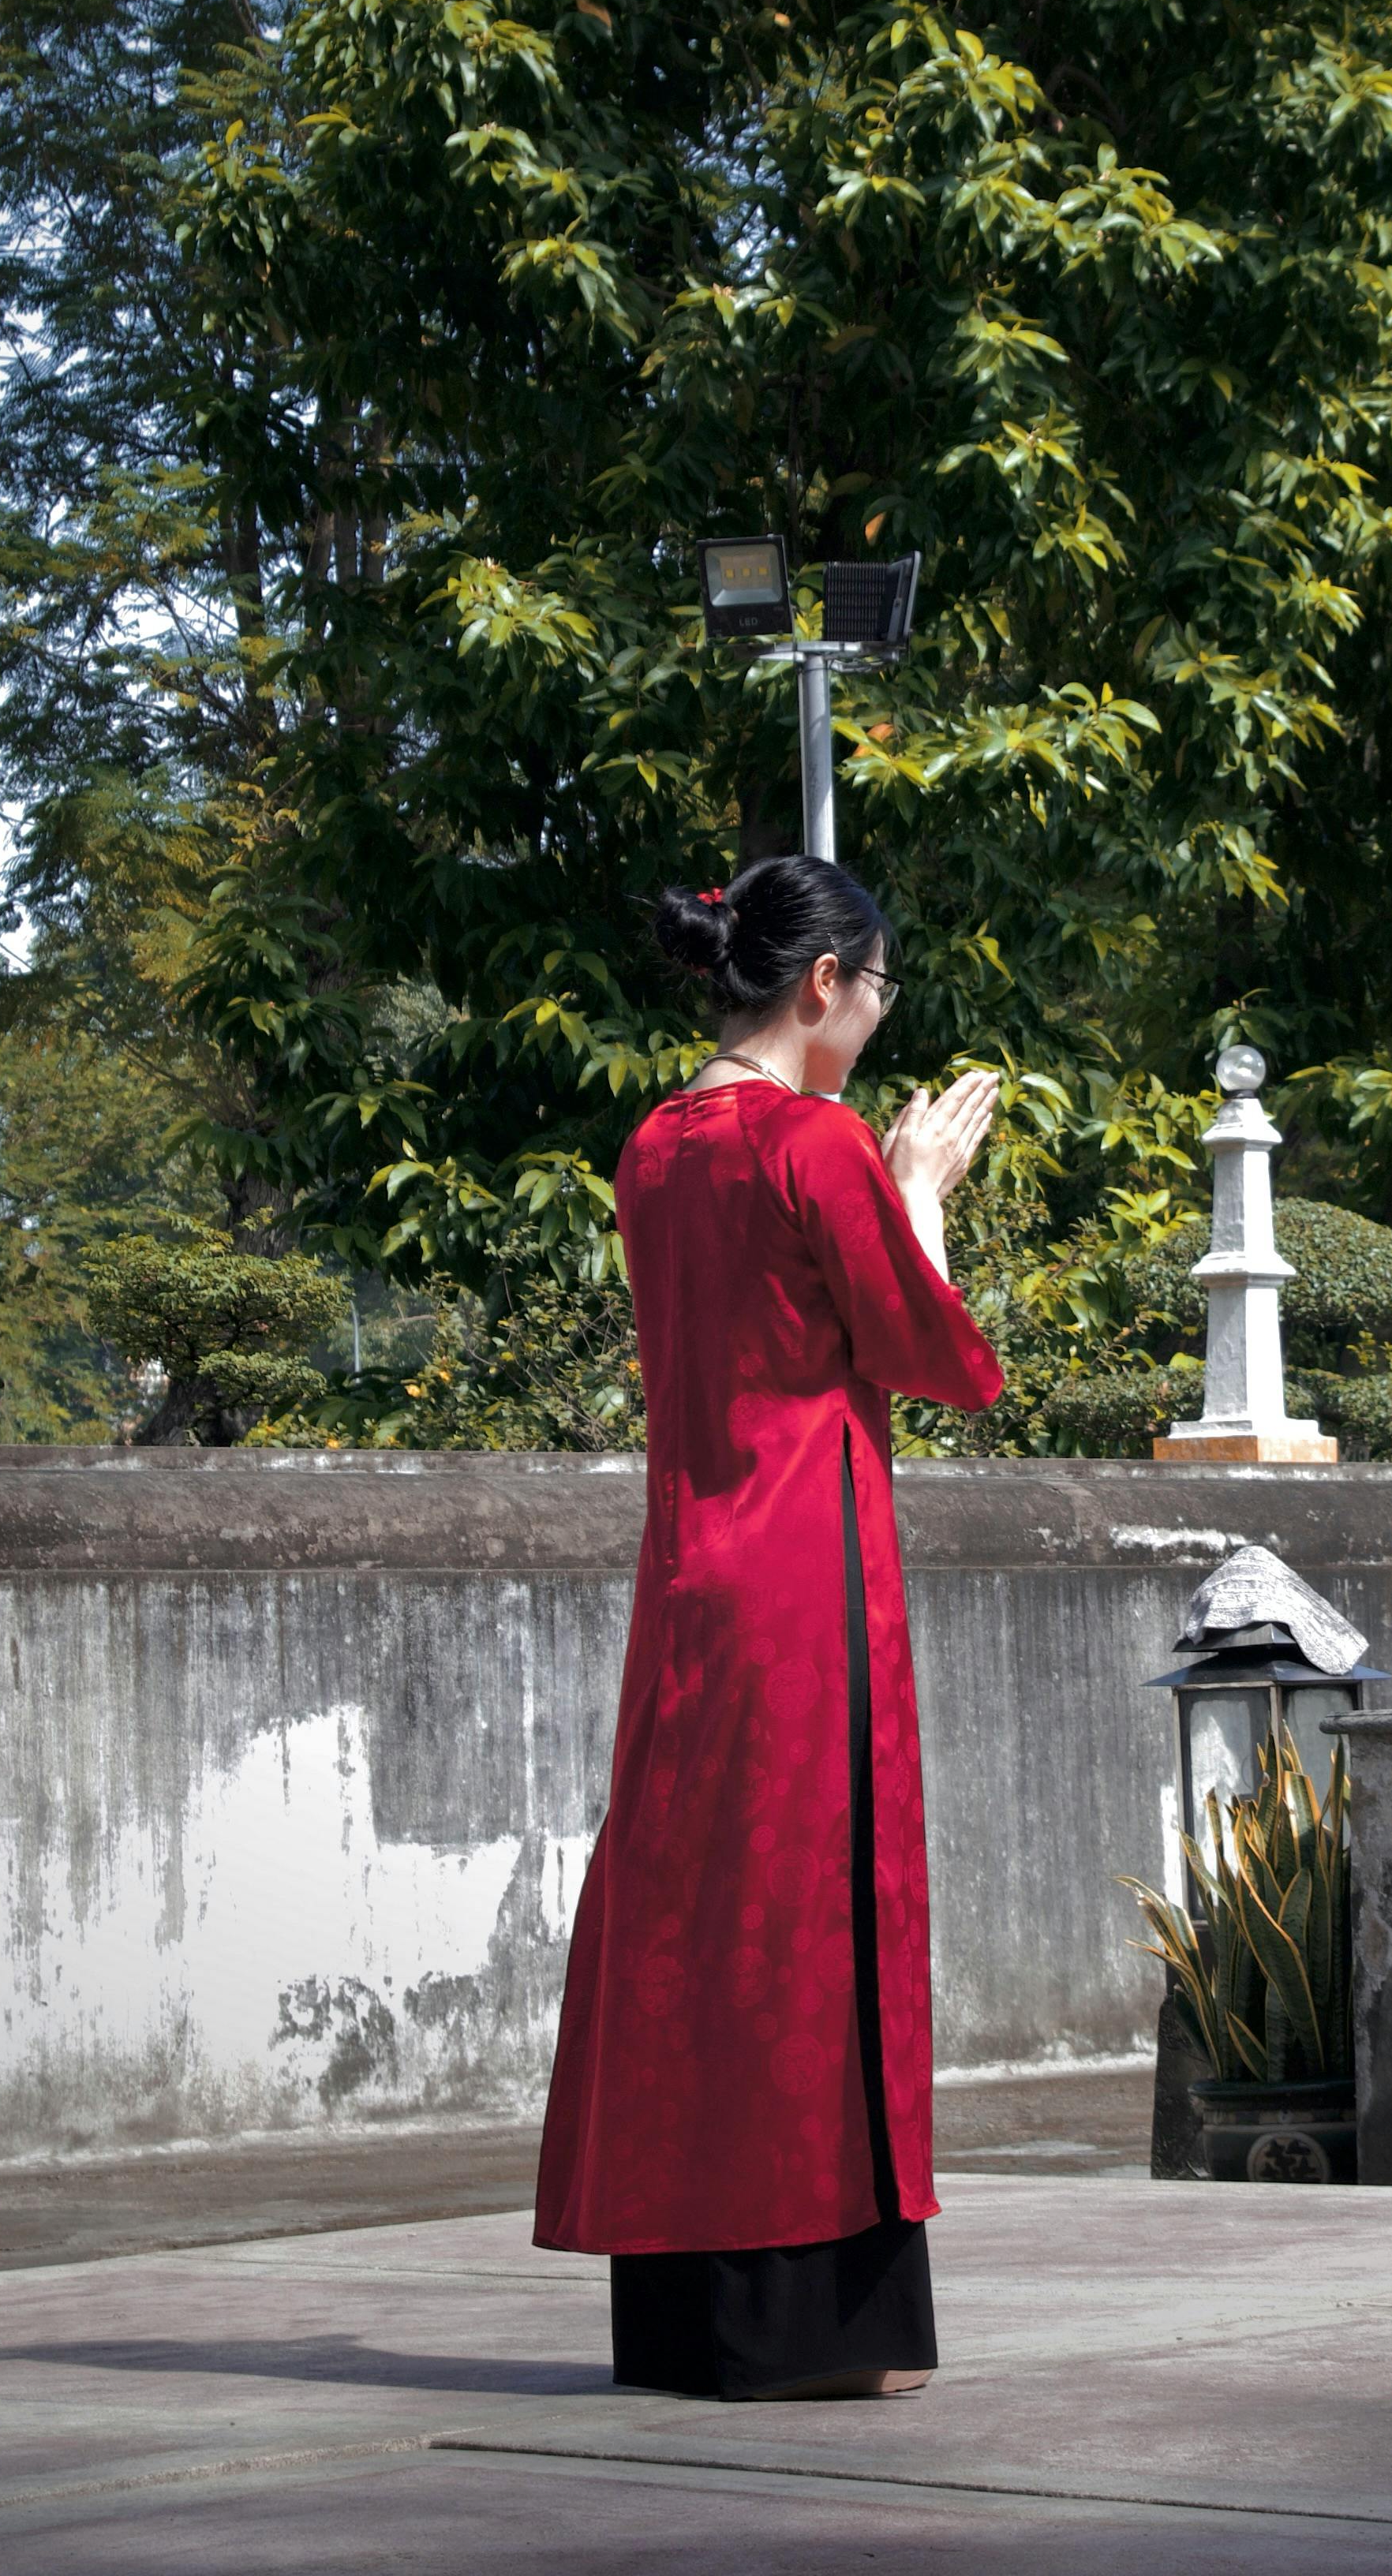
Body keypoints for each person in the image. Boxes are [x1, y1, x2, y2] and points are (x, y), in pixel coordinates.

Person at [531, 854, 1005, 2401]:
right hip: (807, 1575)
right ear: (822, 985)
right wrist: (922, 1186)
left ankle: (686, 2317)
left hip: (689, 1581)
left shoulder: (655, 1141)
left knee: (694, 1930)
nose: (872, 1020)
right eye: (873, 992)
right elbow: (933, 1355)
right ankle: (822, 2314)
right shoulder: (816, 1139)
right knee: (813, 1926)